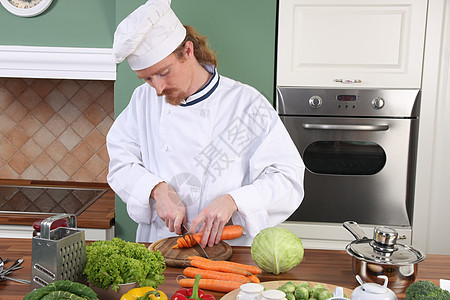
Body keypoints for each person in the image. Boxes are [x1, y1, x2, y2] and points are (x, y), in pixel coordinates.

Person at [107, 0, 305, 247]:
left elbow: (287, 177)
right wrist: (157, 189)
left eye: (163, 73)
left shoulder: (247, 105)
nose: (157, 89)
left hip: (230, 250)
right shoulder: (141, 101)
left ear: (187, 51)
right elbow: (120, 163)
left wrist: (234, 200)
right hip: (160, 247)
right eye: (147, 78)